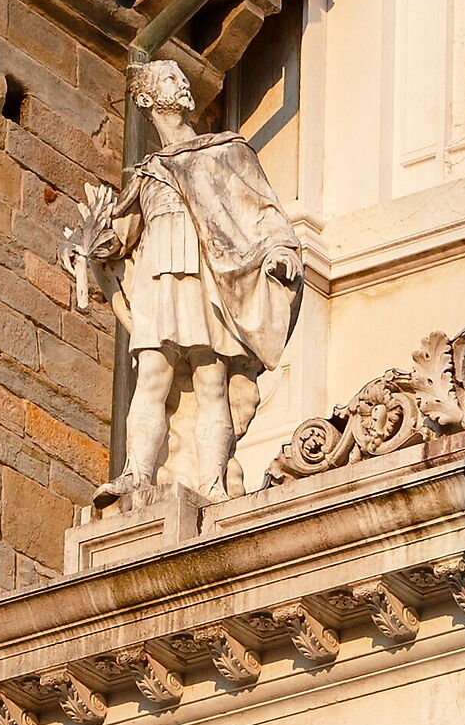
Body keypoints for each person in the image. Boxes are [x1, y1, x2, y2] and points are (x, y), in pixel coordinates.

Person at [64, 60, 303, 505]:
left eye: (182, 77)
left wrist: (280, 250)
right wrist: (84, 245)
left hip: (206, 275)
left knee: (211, 379)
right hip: (157, 274)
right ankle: (137, 473)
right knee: (152, 375)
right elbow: (120, 240)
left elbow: (262, 210)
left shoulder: (224, 151)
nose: (185, 84)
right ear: (149, 99)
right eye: (172, 79)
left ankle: (211, 483)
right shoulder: (147, 173)